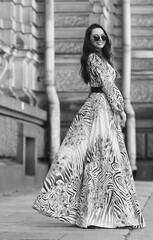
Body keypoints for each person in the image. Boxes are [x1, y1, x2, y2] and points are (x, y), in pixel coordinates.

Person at [33, 23, 145, 229]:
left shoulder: (100, 58)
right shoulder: (93, 58)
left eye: (103, 37)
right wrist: (120, 109)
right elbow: (107, 86)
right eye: (96, 38)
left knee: (101, 158)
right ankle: (97, 212)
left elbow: (105, 86)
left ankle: (99, 211)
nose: (100, 40)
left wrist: (116, 109)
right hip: (101, 107)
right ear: (89, 40)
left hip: (100, 107)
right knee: (99, 157)